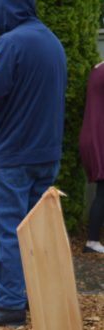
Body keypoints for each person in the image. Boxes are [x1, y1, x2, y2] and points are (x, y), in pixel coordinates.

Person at [0, 0, 67, 326]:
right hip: (46, 152)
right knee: (37, 230)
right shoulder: (51, 41)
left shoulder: (10, 43)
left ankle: (10, 304)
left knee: (8, 229)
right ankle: (36, 296)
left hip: (13, 154)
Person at [79, 62, 104, 254]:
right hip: (100, 137)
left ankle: (93, 240)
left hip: (94, 134)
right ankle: (92, 241)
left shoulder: (97, 69)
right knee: (102, 193)